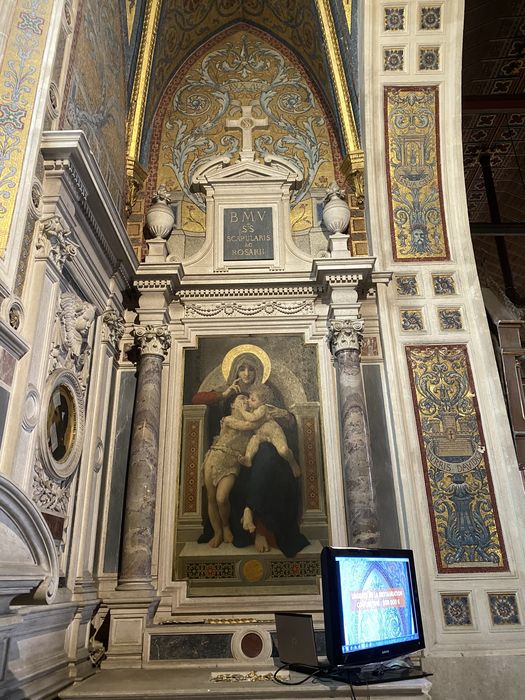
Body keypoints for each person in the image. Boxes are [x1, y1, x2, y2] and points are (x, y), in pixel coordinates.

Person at [202, 395, 259, 548]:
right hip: (214, 457)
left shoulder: (252, 423)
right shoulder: (227, 419)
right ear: (232, 405)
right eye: (241, 399)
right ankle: (217, 532)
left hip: (232, 462)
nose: (246, 401)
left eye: (248, 399)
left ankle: (226, 526)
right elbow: (245, 426)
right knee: (211, 498)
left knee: (222, 498)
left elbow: (251, 428)